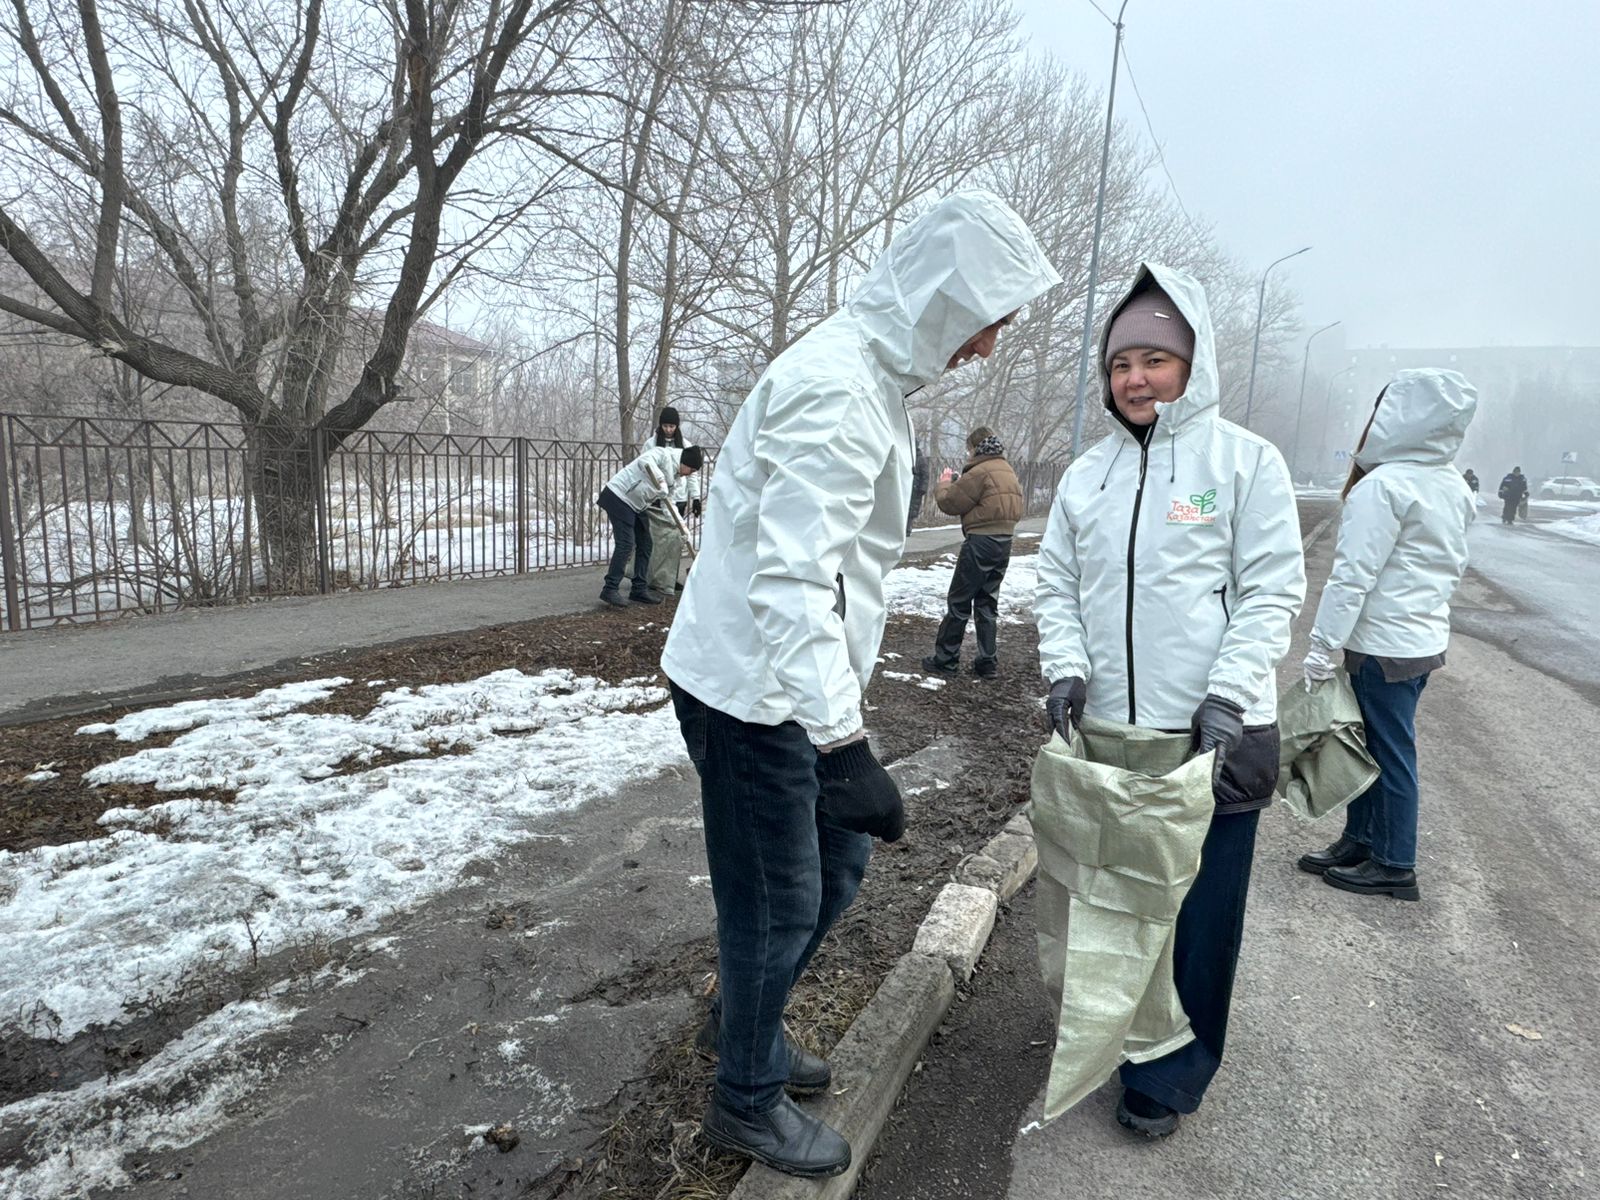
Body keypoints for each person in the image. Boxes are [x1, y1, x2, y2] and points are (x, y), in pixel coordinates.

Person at [661, 190, 1059, 1178]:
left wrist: (837, 728)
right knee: (778, 901)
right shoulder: (838, 388)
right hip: (753, 692)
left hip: (790, 686)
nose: (986, 347)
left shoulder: (870, 377)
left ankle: (740, 1026)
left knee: (835, 868)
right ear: (942, 298)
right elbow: (792, 583)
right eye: (986, 322)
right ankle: (743, 1100)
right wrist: (842, 748)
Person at [1034, 263, 1305, 1140]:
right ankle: (1120, 1031)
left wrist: (1228, 695)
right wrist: (1065, 668)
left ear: (1194, 364)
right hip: (1113, 731)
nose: (1136, 378)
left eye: (1155, 359)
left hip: (1210, 739)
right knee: (1114, 897)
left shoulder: (1244, 462)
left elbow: (1271, 590)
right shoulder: (1089, 475)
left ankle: (1171, 1074)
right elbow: (1058, 584)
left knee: (1198, 915)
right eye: (1121, 364)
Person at [1297, 370, 1478, 901]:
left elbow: (1353, 576)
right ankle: (1360, 840)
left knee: (1388, 753)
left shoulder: (1383, 486)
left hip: (1382, 646)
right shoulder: (1451, 483)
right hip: (1418, 642)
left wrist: (1321, 645)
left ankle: (1395, 863)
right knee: (1368, 746)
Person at [921, 425, 1023, 677]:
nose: (968, 455)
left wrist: (944, 483)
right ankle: (987, 662)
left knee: (959, 600)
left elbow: (949, 503)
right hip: (1004, 541)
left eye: (969, 450)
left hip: (980, 542)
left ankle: (946, 659)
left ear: (976, 448)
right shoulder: (1006, 469)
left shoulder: (981, 471)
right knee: (987, 602)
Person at [596, 442, 702, 607]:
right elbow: (644, 461)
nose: (690, 474)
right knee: (626, 544)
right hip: (619, 496)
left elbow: (669, 504)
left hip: (636, 505)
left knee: (646, 543)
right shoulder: (662, 454)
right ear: (685, 463)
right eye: (692, 470)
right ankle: (610, 589)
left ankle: (639, 589)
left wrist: (682, 528)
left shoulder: (674, 479)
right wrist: (661, 481)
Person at [630, 406, 702, 595]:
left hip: (678, 498)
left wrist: (695, 497)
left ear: (677, 427)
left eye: (672, 426)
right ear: (660, 425)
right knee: (654, 539)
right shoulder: (652, 444)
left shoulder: (685, 445)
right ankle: (649, 576)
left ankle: (669, 577)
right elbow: (644, 467)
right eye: (665, 426)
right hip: (656, 498)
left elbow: (692, 474)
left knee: (675, 539)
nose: (668, 430)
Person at [906, 442, 930, 536]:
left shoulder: (920, 459)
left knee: (912, 509)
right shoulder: (908, 456)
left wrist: (922, 488)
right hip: (908, 487)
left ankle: (908, 528)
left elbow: (925, 475)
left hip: (915, 489)